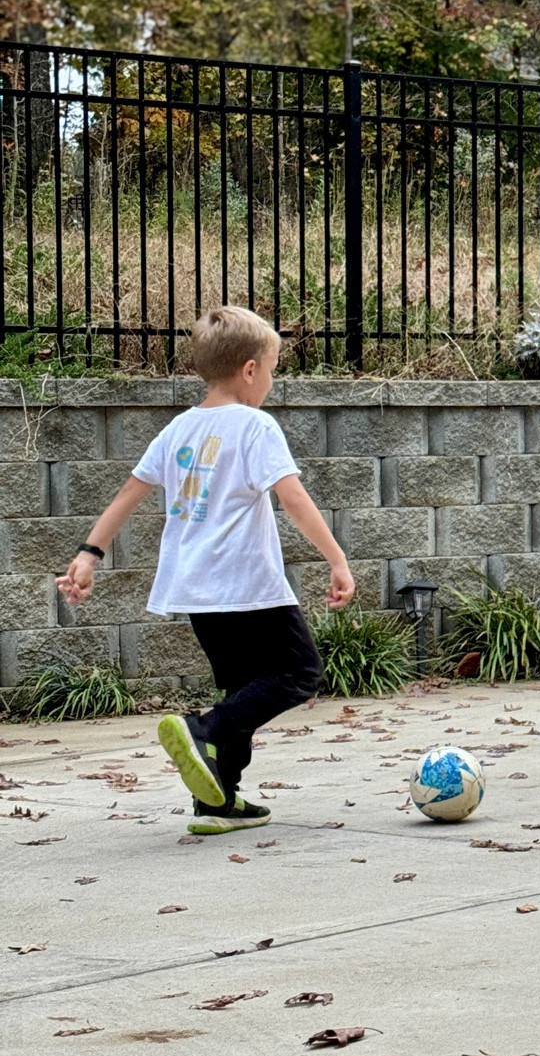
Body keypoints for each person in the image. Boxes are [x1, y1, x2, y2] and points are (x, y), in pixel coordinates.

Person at [55, 305, 355, 834]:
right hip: (248, 586)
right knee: (298, 672)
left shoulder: (179, 429)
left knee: (242, 689)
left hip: (195, 591)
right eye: (272, 367)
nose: (271, 379)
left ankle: (218, 801)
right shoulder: (256, 427)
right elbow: (294, 497)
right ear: (248, 369)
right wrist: (337, 559)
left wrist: (88, 555)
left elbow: (130, 493)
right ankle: (204, 730)